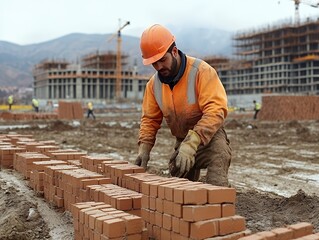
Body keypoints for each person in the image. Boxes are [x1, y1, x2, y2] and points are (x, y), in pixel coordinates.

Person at [134, 24, 231, 187]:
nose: (159, 67)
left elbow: (216, 110)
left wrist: (192, 143)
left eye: (162, 60)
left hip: (209, 138)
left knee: (219, 157)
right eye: (154, 64)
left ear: (174, 51)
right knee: (178, 188)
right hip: (181, 139)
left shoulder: (201, 71)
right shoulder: (153, 85)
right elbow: (150, 120)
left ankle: (220, 203)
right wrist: (144, 148)